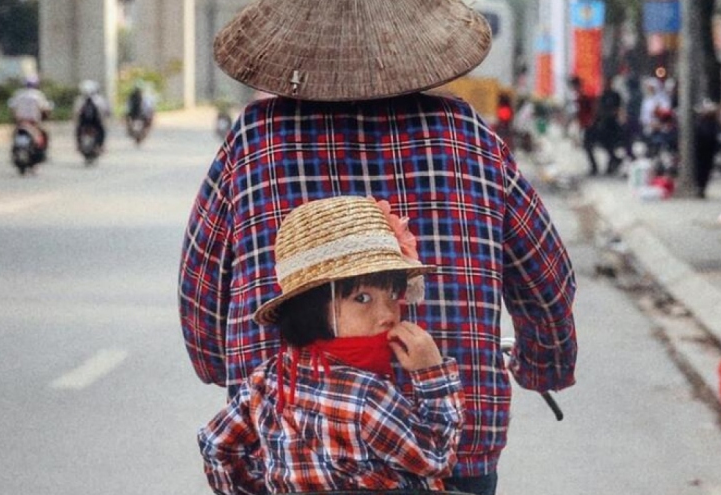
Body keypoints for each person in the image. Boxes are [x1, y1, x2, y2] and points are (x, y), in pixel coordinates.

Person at [179, 2, 578, 494]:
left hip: (291, 451)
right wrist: (543, 364)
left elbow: (201, 282)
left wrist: (215, 364)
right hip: (453, 449)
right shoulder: (467, 136)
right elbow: (546, 280)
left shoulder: (256, 139)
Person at [198, 196, 465, 494]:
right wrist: (432, 374)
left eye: (392, 294)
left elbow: (216, 444)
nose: (387, 314)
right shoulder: (368, 395)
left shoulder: (267, 379)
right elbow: (435, 457)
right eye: (362, 298)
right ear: (311, 306)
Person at [7, 75, 53, 157]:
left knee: (14, 134)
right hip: (33, 122)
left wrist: (14, 117)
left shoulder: (18, 94)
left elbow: (11, 108)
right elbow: (45, 108)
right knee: (44, 133)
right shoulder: (38, 95)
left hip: (20, 122)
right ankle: (42, 152)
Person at [72, 79, 110, 150]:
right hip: (95, 122)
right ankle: (100, 146)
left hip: (85, 123)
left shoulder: (80, 100)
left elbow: (75, 112)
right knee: (102, 130)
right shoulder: (99, 99)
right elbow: (106, 110)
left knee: (78, 130)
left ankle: (79, 145)